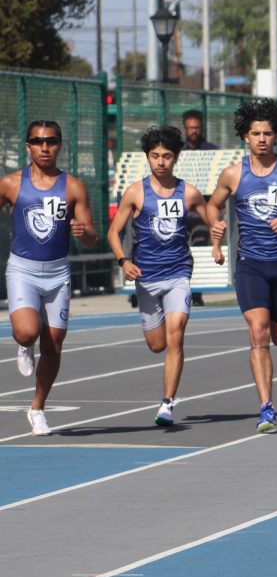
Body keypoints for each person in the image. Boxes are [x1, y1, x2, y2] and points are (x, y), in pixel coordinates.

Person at [205, 98, 277, 432]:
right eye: (255, 133)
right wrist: (215, 229)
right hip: (250, 265)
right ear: (245, 136)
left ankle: (268, 393)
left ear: (276, 136)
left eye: (267, 133)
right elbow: (212, 205)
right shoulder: (233, 174)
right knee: (258, 332)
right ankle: (266, 407)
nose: (261, 139)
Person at [107, 125, 212, 426]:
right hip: (147, 277)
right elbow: (114, 233)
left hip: (179, 272)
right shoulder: (136, 192)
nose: (161, 162)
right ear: (148, 158)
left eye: (167, 156)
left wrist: (218, 237)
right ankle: (162, 320)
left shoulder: (188, 192)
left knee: (176, 335)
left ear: (176, 158)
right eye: (155, 156)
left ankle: (167, 403)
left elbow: (213, 217)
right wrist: (123, 260)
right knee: (157, 344)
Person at [1, 120, 99, 435]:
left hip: (58, 273)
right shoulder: (11, 183)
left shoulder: (73, 187)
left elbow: (91, 238)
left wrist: (84, 233)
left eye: (51, 141)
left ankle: (37, 409)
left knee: (54, 345)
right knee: (28, 332)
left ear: (60, 145)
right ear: (28, 146)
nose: (45, 147)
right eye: (38, 141)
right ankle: (23, 344)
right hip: (23, 270)